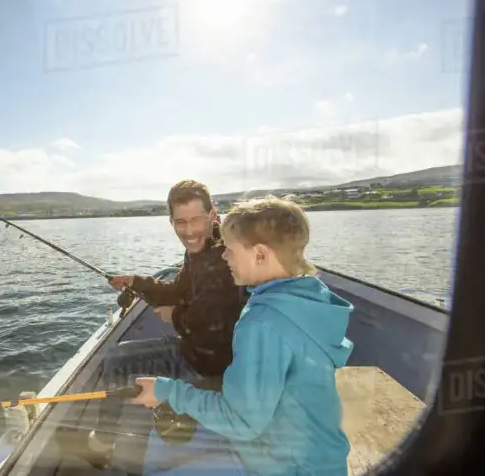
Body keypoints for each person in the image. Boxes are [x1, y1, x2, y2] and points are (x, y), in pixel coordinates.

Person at [130, 195, 354, 476]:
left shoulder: (263, 322)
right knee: (159, 442)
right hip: (314, 455)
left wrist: (167, 390)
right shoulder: (308, 298)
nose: (224, 257)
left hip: (287, 466)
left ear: (260, 254)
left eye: (231, 250)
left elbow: (241, 422)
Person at [56, 180, 247, 470]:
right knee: (115, 359)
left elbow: (218, 324)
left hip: (213, 368)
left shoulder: (226, 256)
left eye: (197, 219)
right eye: (180, 222)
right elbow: (178, 290)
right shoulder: (199, 249)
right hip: (192, 350)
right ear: (170, 221)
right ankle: (103, 444)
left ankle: (122, 455)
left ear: (213, 215)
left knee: (138, 397)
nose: (189, 231)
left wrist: (175, 317)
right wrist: (137, 282)